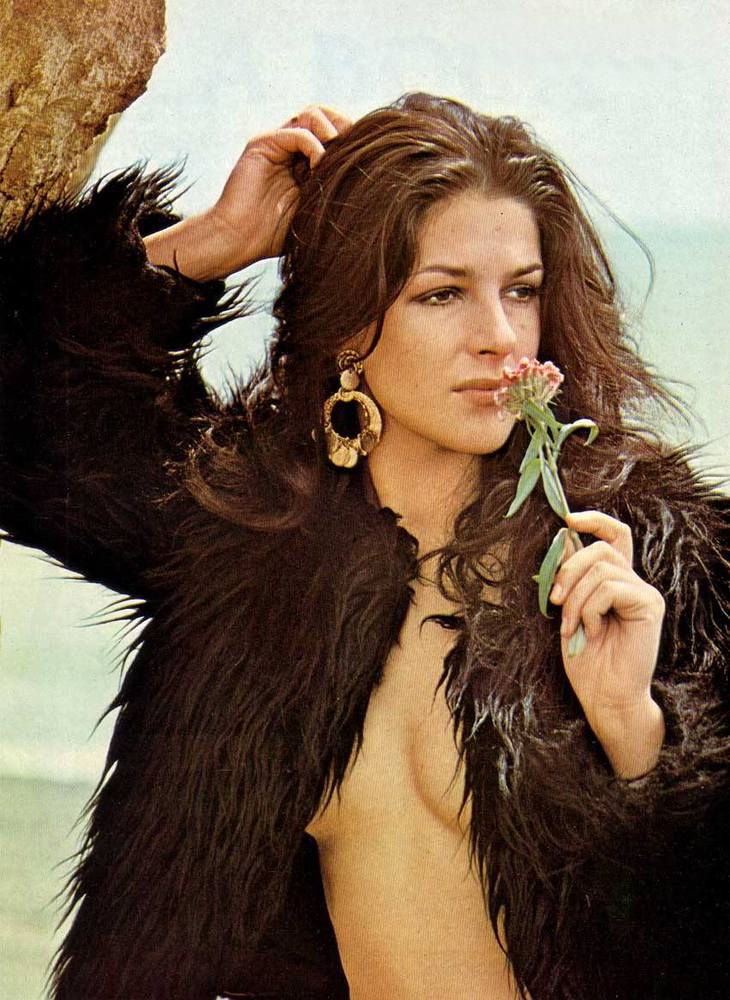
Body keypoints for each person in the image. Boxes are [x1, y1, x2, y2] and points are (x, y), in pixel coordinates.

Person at [0, 93, 727, 1000]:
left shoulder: (640, 561)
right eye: (441, 293)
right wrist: (211, 244)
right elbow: (27, 426)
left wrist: (639, 739)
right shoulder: (249, 548)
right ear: (349, 324)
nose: (500, 336)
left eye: (522, 290)